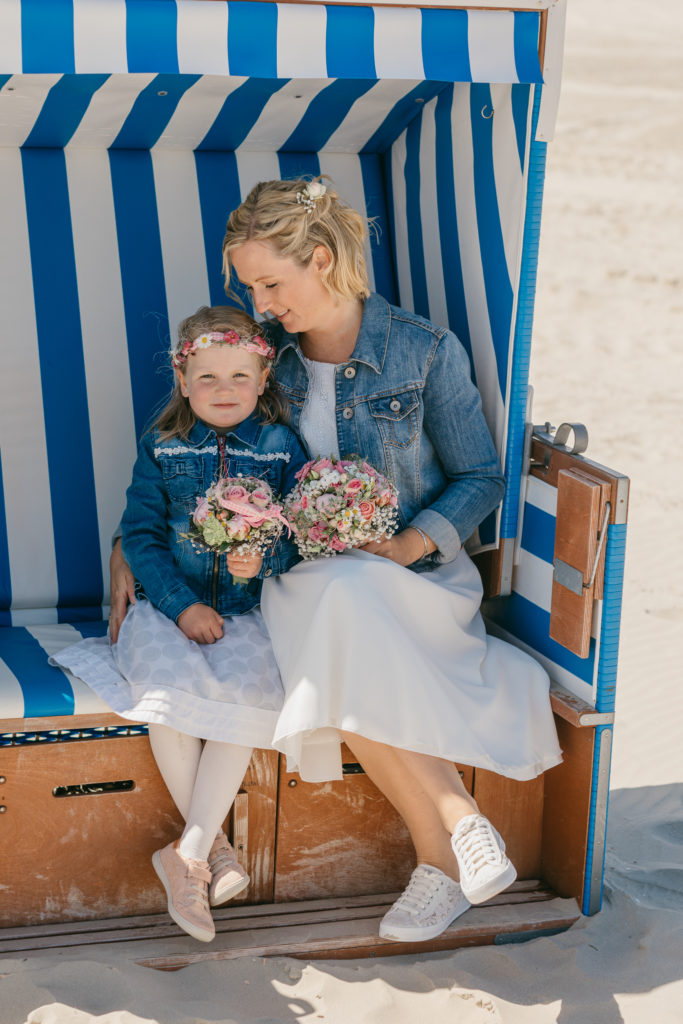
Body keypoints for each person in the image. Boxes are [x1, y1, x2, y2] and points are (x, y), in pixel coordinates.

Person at [110, 178, 563, 945]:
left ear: (320, 259)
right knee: (335, 600)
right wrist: (131, 543)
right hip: (298, 580)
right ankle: (455, 833)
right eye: (248, 287)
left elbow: (482, 478)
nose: (257, 303)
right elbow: (195, 464)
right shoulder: (263, 361)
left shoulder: (421, 351)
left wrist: (406, 542)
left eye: (268, 283)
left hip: (413, 576)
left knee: (348, 600)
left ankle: (447, 842)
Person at [54, 305, 307, 943]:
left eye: (240, 378)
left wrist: (265, 558)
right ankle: (212, 850)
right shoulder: (163, 445)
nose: (224, 392)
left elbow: (297, 535)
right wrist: (178, 605)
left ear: (263, 378)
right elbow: (140, 532)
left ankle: (187, 850)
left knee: (252, 696)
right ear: (183, 378)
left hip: (246, 610)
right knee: (165, 696)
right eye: (209, 378)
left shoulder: (280, 448)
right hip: (166, 608)